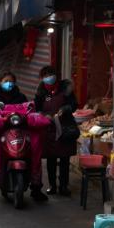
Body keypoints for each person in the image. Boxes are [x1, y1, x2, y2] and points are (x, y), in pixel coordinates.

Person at [0, 72, 48, 202]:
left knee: (32, 154)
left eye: (11, 81)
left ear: (15, 83)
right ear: (1, 82)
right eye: (6, 81)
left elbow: (29, 110)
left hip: (19, 131)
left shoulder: (20, 97)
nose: (9, 83)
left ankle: (36, 189)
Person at [34, 66, 79, 195]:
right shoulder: (41, 91)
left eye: (51, 74)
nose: (49, 77)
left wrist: (66, 109)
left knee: (65, 158)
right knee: (51, 159)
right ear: (42, 78)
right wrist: (43, 115)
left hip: (65, 127)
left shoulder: (66, 89)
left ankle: (64, 186)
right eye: (45, 75)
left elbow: (74, 104)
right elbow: (36, 108)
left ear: (56, 75)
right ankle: (52, 185)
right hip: (48, 129)